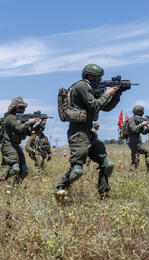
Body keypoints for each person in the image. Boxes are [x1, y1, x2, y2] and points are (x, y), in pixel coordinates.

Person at [55, 64, 130, 201]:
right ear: (89, 76)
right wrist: (107, 93)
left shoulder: (91, 87)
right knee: (77, 171)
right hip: (78, 132)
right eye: (98, 78)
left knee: (108, 165)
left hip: (89, 131)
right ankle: (60, 188)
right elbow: (94, 105)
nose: (100, 80)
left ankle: (104, 195)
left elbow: (105, 107)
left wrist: (118, 93)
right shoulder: (82, 86)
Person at [0, 97, 38, 185]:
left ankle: (14, 189)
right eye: (21, 108)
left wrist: (39, 125)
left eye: (24, 108)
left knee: (25, 170)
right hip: (8, 145)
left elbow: (29, 133)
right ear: (15, 108)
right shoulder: (10, 118)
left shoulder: (21, 120)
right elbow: (18, 128)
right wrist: (29, 122)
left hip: (16, 146)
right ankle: (0, 181)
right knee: (15, 169)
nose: (23, 110)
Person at [126, 105, 149, 172]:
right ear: (136, 112)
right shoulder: (131, 119)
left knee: (135, 158)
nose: (142, 113)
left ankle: (131, 173)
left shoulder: (139, 120)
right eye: (141, 112)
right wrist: (142, 124)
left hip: (135, 141)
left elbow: (143, 132)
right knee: (147, 152)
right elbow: (133, 129)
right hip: (133, 141)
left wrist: (148, 129)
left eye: (142, 112)